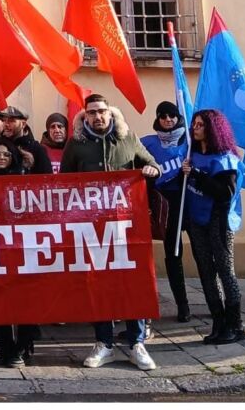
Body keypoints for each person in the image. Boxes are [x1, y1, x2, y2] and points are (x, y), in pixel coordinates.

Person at [61, 93, 161, 371]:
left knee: (133, 281)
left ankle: (136, 342)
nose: (98, 116)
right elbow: (63, 183)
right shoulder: (76, 144)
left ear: (110, 112)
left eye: (102, 111)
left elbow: (153, 164)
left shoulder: (127, 138)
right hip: (92, 228)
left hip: (127, 227)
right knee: (98, 283)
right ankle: (103, 343)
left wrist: (151, 170)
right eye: (92, 112)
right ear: (85, 116)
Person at [182, 109, 245, 343]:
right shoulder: (191, 154)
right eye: (194, 124)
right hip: (196, 219)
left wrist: (197, 174)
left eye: (200, 125)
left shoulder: (225, 159)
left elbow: (224, 193)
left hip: (218, 221)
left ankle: (236, 325)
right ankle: (218, 322)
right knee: (206, 271)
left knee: (225, 271)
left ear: (212, 128)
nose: (195, 128)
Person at [0, 137, 39, 367]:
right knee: (1, 301)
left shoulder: (24, 179)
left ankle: (23, 346)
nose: (1, 158)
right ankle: (6, 347)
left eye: (6, 154)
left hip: (22, 247)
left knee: (25, 300)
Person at [140, 101, 192, 322]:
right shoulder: (148, 143)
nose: (168, 120)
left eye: (172, 115)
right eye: (163, 116)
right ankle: (183, 305)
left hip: (190, 203)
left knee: (202, 254)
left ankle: (216, 302)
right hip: (166, 207)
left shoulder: (190, 141)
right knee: (173, 254)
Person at [3, 106, 52, 175]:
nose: (6, 124)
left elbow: (47, 177)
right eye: (4, 120)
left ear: (23, 124)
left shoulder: (36, 149)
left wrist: (30, 167)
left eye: (11, 121)